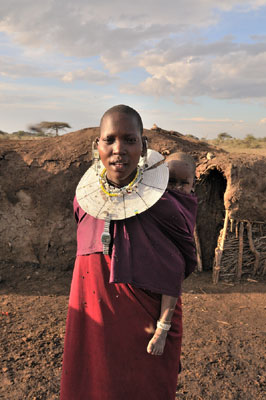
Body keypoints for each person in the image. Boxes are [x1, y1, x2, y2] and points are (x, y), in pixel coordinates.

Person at [60, 105, 198, 400]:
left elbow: (181, 264)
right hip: (94, 323)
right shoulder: (82, 203)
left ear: (144, 146)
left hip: (145, 329)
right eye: (109, 139)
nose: (119, 149)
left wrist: (163, 325)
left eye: (130, 140)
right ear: (96, 146)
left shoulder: (165, 207)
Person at [146, 152, 196, 356]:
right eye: (170, 181)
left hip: (170, 259)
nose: (176, 187)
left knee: (173, 268)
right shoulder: (154, 198)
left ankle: (163, 328)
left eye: (183, 183)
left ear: (193, 183)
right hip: (148, 261)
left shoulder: (188, 203)